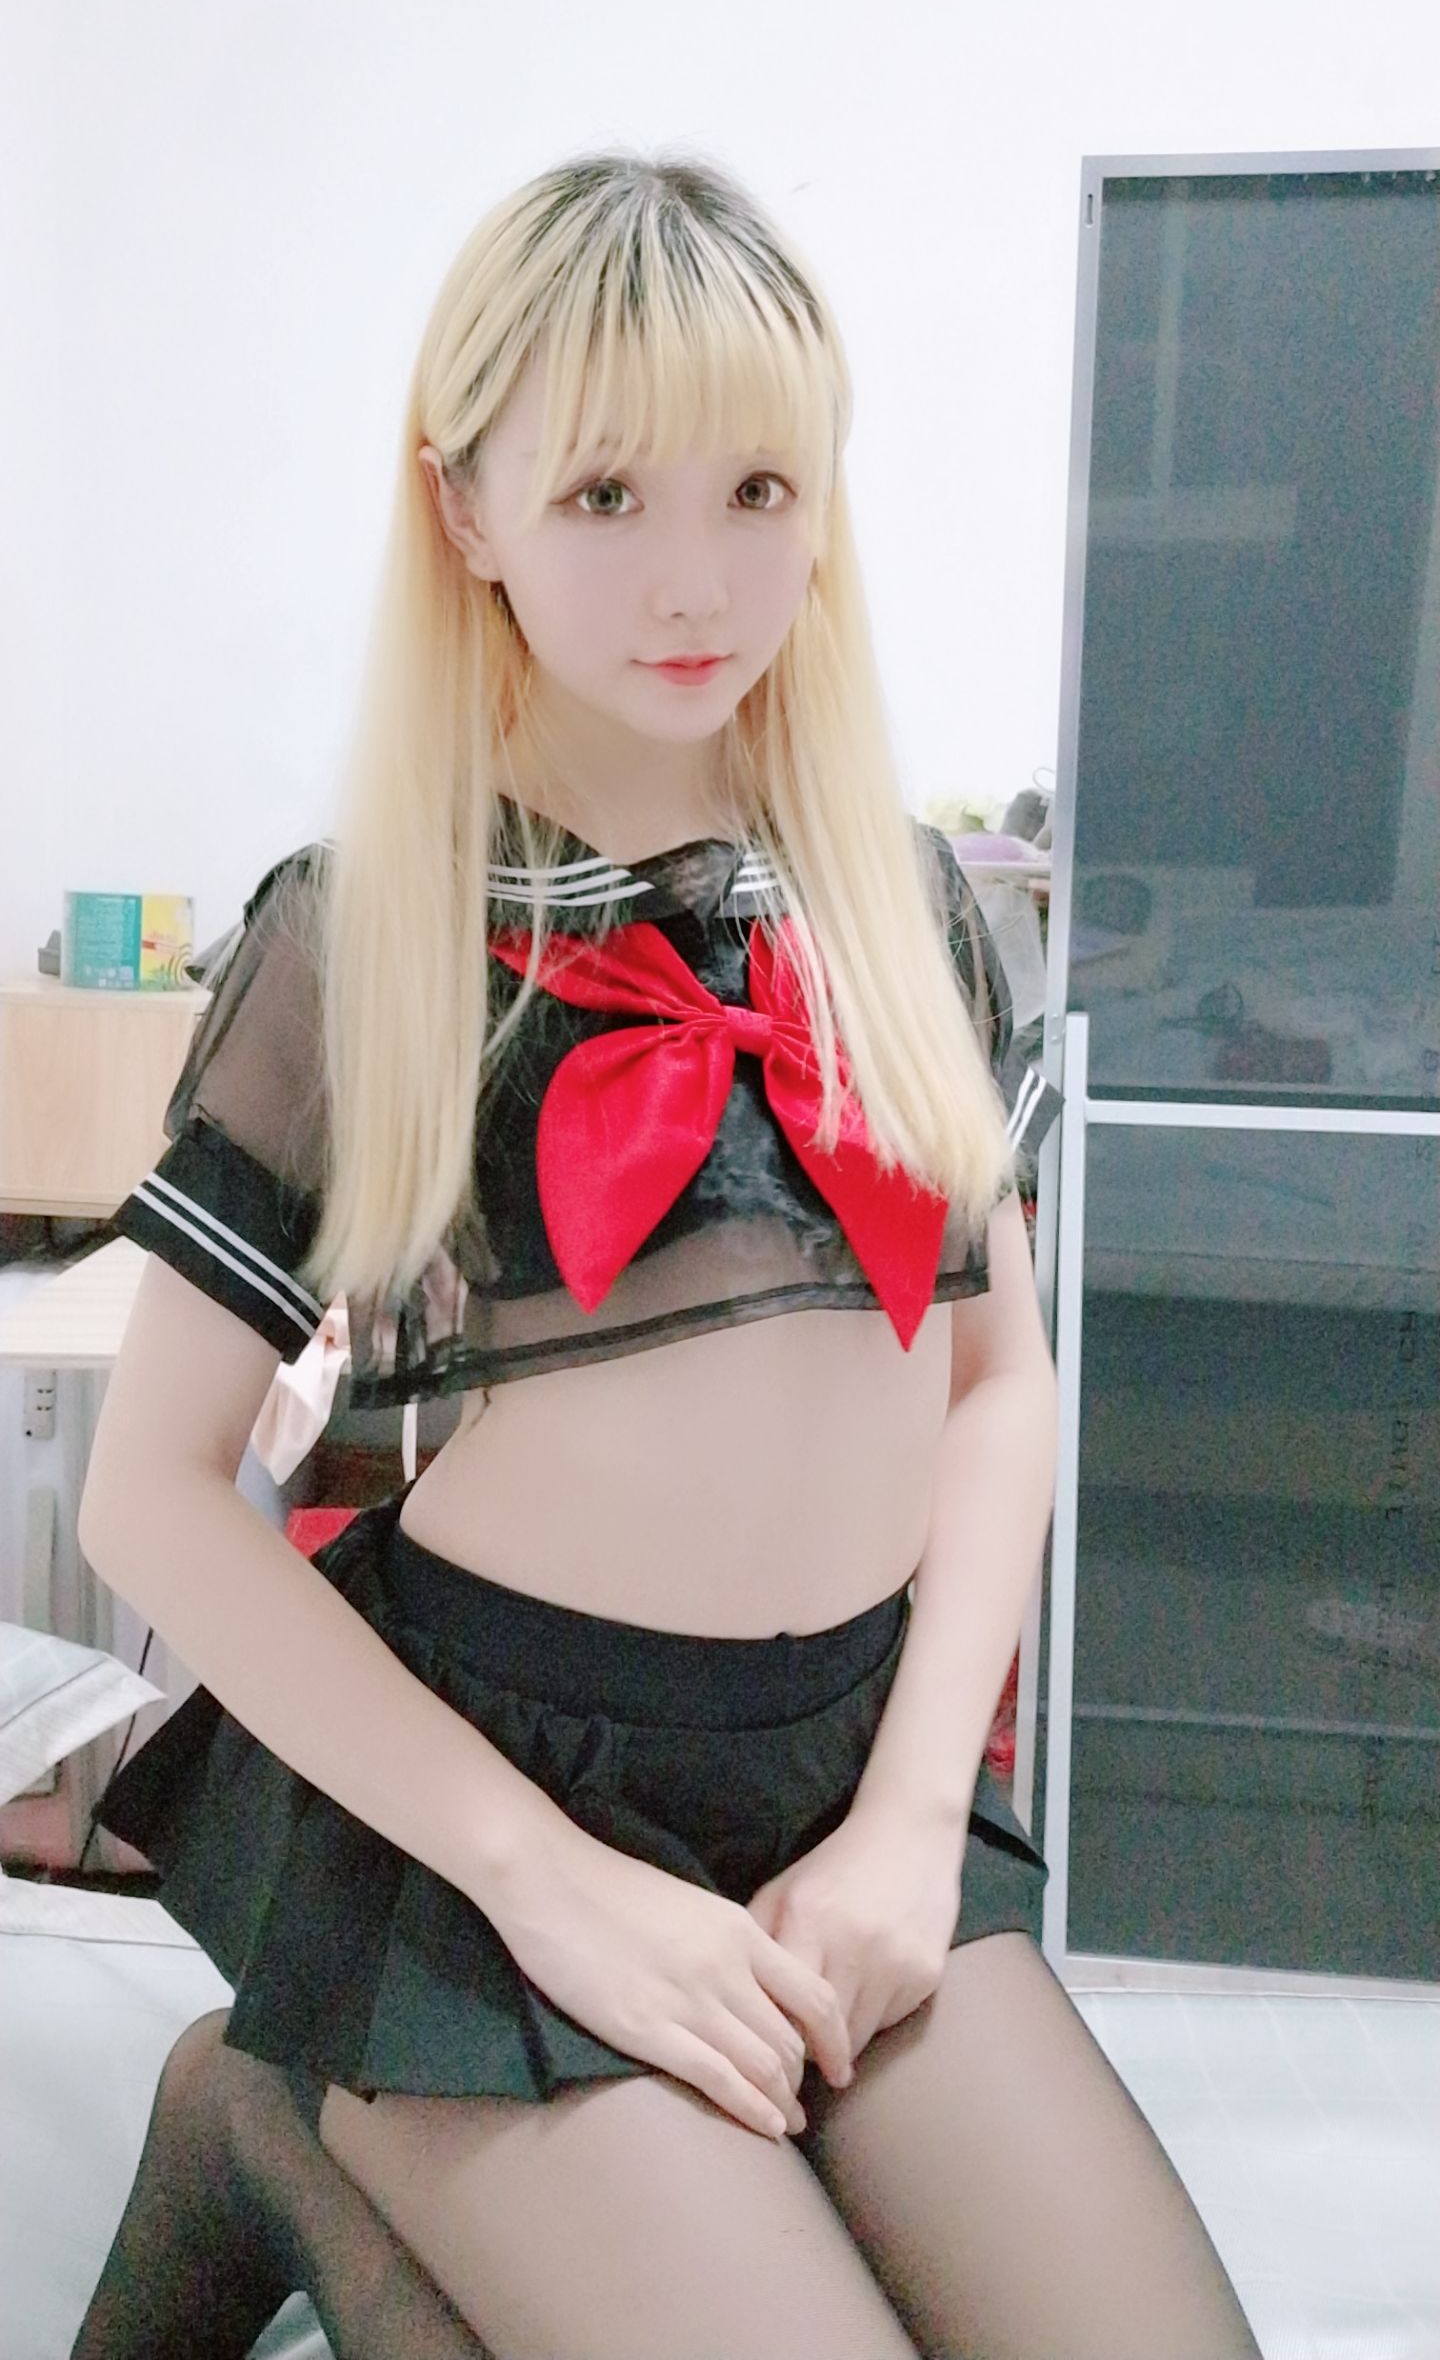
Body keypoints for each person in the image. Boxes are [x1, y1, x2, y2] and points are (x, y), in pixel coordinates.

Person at [71, 149, 1261, 2360]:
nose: (695, 576)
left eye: (758, 490)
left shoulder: (906, 904)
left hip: (845, 1768)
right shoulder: (366, 930)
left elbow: (999, 1389)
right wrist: (544, 1881)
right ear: (466, 509)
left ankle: (280, 2121)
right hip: (492, 1803)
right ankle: (264, 2117)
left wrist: (912, 1821)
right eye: (606, 494)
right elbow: (147, 1490)